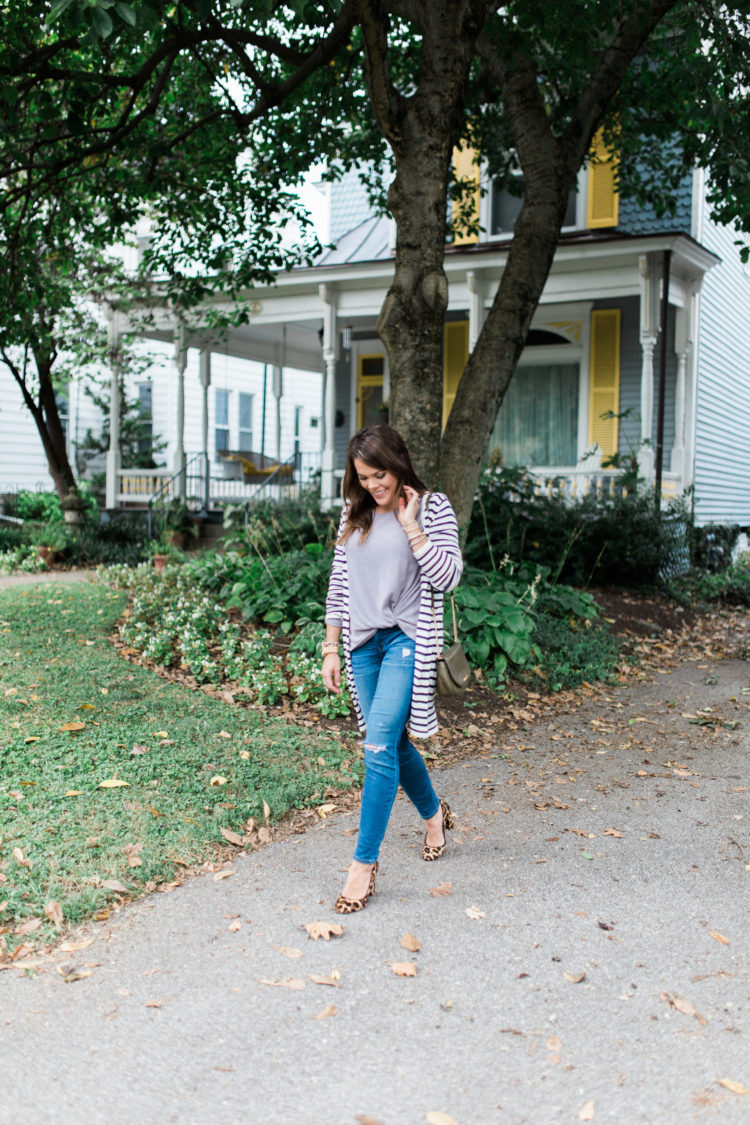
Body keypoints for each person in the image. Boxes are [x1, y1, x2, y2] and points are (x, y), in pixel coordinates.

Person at [322, 424, 463, 913]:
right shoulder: (353, 512)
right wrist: (331, 647)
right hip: (362, 642)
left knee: (379, 743)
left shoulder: (433, 506)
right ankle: (434, 815)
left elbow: (448, 577)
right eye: (362, 477)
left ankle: (362, 866)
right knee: (394, 743)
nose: (371, 486)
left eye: (378, 475)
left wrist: (411, 524)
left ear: (398, 462)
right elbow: (339, 583)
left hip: (407, 639)